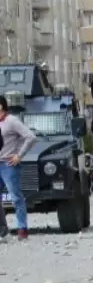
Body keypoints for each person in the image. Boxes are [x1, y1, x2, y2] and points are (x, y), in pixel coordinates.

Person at [0, 96, 36, 240]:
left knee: (16, 197)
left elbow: (31, 137)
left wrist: (19, 155)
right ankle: (3, 229)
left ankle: (22, 228)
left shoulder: (11, 121)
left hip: (8, 165)